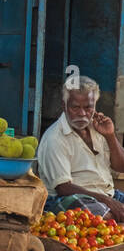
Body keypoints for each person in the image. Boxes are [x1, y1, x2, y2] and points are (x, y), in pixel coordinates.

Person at [37, 77, 124, 220]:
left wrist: (110, 136)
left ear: (95, 105)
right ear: (64, 105)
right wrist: (108, 202)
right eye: (75, 107)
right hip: (68, 198)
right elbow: (63, 188)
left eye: (88, 107)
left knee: (109, 214)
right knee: (101, 217)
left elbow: (121, 166)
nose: (82, 114)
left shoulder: (98, 127)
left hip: (107, 193)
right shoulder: (54, 138)